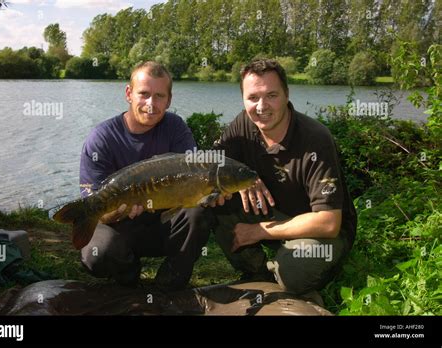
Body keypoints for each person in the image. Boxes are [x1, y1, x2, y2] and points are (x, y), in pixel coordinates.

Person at [212, 59, 357, 295]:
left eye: (271, 95)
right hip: (272, 212)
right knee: (214, 199)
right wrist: (243, 178)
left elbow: (329, 222)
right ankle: (256, 271)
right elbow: (212, 164)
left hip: (319, 227)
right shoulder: (243, 123)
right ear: (243, 99)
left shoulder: (316, 138)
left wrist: (259, 231)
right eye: (252, 98)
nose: (261, 107)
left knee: (294, 272)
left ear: (287, 95)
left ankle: (290, 272)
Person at [79, 61, 212, 291]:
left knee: (198, 212)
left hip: (162, 222)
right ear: (129, 94)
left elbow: (196, 172)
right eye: (144, 94)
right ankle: (129, 276)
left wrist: (209, 191)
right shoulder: (101, 138)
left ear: (169, 100)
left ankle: (169, 284)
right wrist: (116, 212)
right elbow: (93, 201)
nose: (151, 104)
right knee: (96, 253)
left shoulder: (176, 128)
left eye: (159, 96)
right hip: (120, 225)